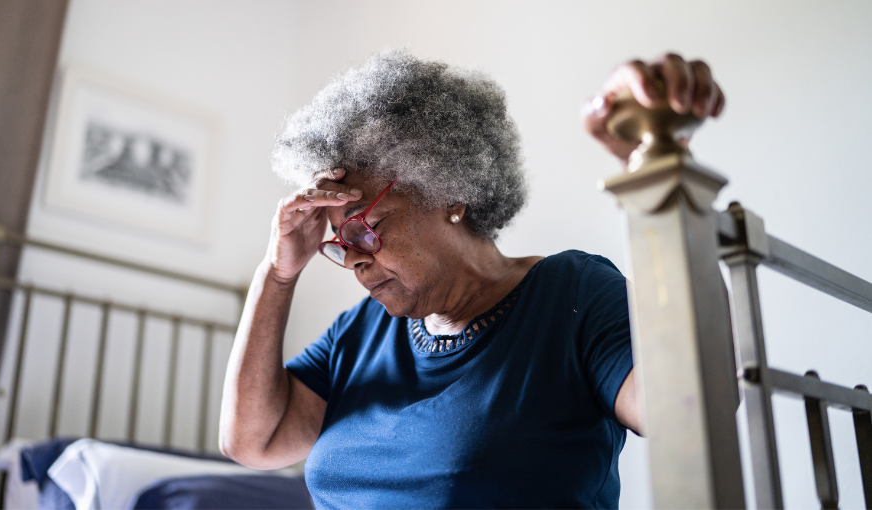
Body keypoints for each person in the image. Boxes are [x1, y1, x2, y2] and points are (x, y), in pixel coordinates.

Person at [219, 50, 725, 508]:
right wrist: (278, 273)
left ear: (449, 193)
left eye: (366, 229)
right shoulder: (360, 333)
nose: (353, 261)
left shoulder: (573, 294)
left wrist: (653, 165)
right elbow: (253, 441)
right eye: (339, 242)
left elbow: (687, 405)